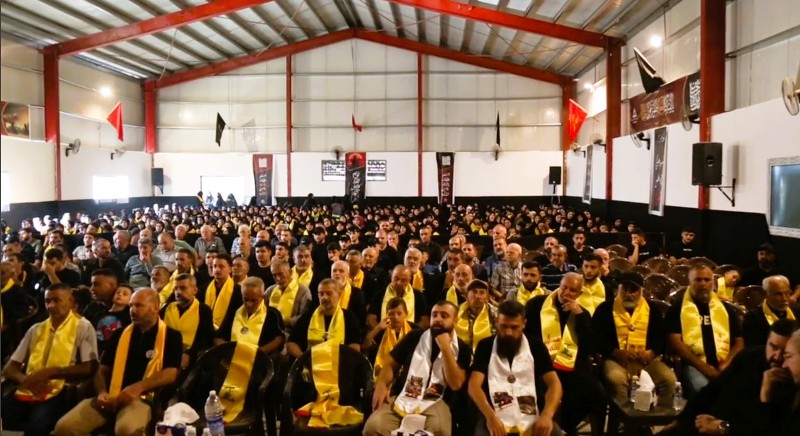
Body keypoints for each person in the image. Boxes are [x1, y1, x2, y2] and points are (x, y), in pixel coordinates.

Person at [53, 288, 182, 436]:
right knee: (64, 427)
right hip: (110, 396)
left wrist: (137, 388)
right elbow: (102, 369)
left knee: (126, 429)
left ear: (155, 308)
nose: (133, 310)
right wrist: (102, 392)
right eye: (131, 305)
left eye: (139, 305)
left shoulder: (171, 336)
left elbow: (170, 374)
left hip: (141, 398)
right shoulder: (120, 334)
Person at [659, 319, 798, 435]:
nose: (777, 356)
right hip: (708, 422)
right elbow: (712, 389)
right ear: (767, 341)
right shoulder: (749, 356)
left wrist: (723, 427)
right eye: (773, 347)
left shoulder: (793, 378)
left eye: (785, 352)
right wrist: (678, 421)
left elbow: (765, 428)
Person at [363, 301, 472, 436]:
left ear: (455, 321)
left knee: (439, 430)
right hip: (404, 395)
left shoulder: (462, 348)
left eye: (444, 316)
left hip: (437, 400)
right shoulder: (414, 337)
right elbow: (390, 364)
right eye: (434, 315)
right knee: (373, 427)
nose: (438, 319)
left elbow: (456, 384)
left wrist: (445, 348)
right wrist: (381, 384)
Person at [1, 283, 98, 436]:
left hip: (61, 389)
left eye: (56, 300)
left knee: (37, 427)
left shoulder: (83, 327)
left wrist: (52, 372)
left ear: (71, 302)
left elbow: (90, 366)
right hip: (29, 386)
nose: (51, 306)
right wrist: (26, 379)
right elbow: (10, 368)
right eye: (47, 301)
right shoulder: (36, 329)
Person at [524, 272, 605, 436]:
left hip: (572, 364)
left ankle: (568, 425)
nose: (566, 293)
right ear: (558, 287)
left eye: (572, 290)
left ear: (579, 294)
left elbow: (590, 345)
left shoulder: (582, 313)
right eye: (564, 288)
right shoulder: (537, 304)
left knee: (598, 392)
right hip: (540, 363)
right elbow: (524, 334)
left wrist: (579, 316)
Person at [468, 300, 563, 436]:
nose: (508, 332)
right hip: (494, 413)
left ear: (524, 324)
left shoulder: (536, 345)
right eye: (504, 326)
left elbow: (555, 384)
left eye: (514, 327)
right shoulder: (485, 346)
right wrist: (490, 416)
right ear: (496, 322)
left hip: (532, 413)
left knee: (555, 432)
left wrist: (547, 415)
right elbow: (474, 385)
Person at [592, 272, 676, 407]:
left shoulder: (652, 310)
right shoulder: (605, 309)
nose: (628, 294)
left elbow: (661, 337)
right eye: (625, 289)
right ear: (618, 289)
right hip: (616, 361)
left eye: (633, 290)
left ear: (641, 291)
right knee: (616, 379)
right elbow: (596, 338)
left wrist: (652, 352)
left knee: (669, 379)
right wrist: (615, 352)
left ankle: (658, 414)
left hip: (647, 361)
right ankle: (623, 416)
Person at [665, 265, 744, 397]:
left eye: (707, 280)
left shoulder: (726, 309)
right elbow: (674, 341)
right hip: (694, 365)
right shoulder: (677, 308)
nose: (703, 284)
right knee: (704, 392)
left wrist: (727, 363)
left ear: (713, 282)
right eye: (698, 280)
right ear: (689, 282)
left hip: (724, 364)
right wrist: (704, 367)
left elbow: (739, 341)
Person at [286, 279, 361, 358]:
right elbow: (291, 343)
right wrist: (305, 360)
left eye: (329, 293)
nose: (324, 297)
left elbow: (355, 346)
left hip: (338, 363)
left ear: (339, 295)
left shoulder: (349, 317)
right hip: (311, 363)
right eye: (321, 294)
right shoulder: (308, 316)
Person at [215, 277, 285, 354]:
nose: (249, 304)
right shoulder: (234, 312)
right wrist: (229, 349)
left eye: (253, 300)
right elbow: (218, 337)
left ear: (263, 297)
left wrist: (260, 351)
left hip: (260, 357)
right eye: (246, 299)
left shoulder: (272, 314)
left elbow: (279, 339)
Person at [159, 274, 215, 370]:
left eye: (183, 288)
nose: (178, 292)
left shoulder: (203, 310)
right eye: (175, 289)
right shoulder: (167, 308)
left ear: (195, 290)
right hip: (164, 354)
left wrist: (190, 353)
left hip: (190, 357)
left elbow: (205, 339)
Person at [363, 297, 416, 376]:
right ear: (387, 314)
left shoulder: (414, 330)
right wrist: (378, 328)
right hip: (382, 372)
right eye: (391, 314)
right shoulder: (382, 329)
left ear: (406, 313)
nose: (395, 317)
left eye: (399, 313)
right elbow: (365, 345)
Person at [368, 265, 430, 330]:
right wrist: (381, 331)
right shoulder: (380, 294)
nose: (399, 283)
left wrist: (411, 332)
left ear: (409, 280)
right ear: (391, 277)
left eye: (403, 280)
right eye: (396, 279)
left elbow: (425, 322)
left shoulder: (417, 295)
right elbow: (370, 319)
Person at [742, 275, 798, 347]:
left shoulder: (796, 311)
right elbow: (753, 348)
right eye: (778, 294)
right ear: (765, 294)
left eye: (787, 293)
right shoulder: (753, 318)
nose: (784, 299)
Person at [266, 259, 312, 329]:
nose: (278, 278)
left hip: (291, 330)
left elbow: (304, 316)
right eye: (274, 275)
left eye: (280, 274)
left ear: (290, 272)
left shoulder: (303, 291)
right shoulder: (270, 290)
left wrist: (287, 322)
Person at [454, 280, 497, 352]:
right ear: (466, 296)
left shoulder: (495, 313)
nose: (477, 296)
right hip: (460, 353)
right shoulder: (456, 312)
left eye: (482, 293)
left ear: (487, 297)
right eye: (474, 292)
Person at [203, 253, 243, 329]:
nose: (217, 270)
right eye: (215, 266)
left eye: (221, 266)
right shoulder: (205, 288)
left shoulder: (238, 291)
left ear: (230, 269)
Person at [330, 260, 367, 328]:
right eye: (334, 271)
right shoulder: (323, 291)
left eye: (341, 271)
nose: (337, 273)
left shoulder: (358, 294)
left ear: (348, 274)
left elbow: (360, 320)